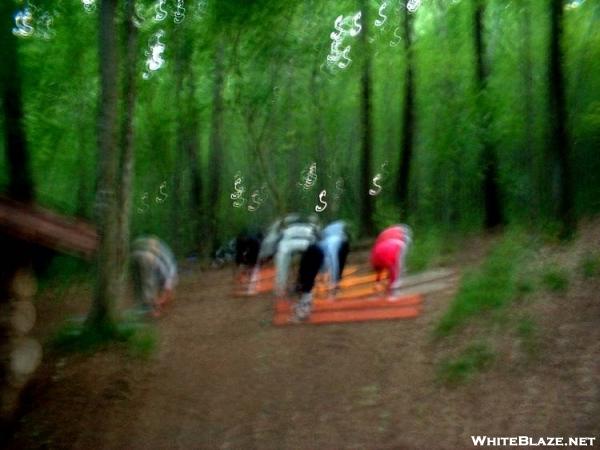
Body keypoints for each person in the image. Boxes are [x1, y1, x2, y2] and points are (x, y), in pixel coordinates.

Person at [293, 220, 350, 321]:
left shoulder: (334, 241)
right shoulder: (332, 240)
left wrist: (334, 280)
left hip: (315, 253)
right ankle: (304, 303)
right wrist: (333, 279)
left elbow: (333, 260)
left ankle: (304, 307)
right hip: (315, 253)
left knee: (306, 281)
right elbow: (332, 260)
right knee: (306, 279)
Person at [131, 236, 177, 317]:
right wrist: (160, 301)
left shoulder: (169, 266)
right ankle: (149, 308)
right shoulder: (170, 275)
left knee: (139, 282)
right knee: (149, 283)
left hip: (135, 251)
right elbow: (168, 293)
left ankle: (141, 305)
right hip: (147, 256)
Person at [370, 224, 412, 293]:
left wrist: (377, 281)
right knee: (397, 265)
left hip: (381, 248)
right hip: (395, 245)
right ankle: (395, 284)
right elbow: (394, 265)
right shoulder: (401, 232)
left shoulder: (386, 232)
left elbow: (378, 268)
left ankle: (393, 282)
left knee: (393, 265)